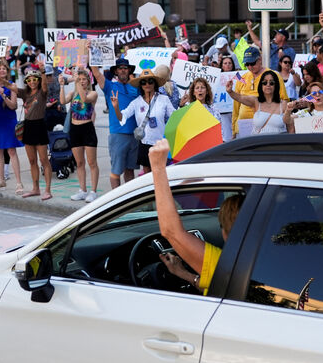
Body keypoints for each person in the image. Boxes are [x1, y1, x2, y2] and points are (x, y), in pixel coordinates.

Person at [148, 138, 243, 294]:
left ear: (226, 232)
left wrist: (158, 168)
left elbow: (171, 232)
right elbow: (217, 284)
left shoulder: (229, 264)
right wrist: (183, 274)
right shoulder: (256, 258)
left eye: (222, 225)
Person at [111, 68, 175, 175]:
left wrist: (183, 105)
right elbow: (122, 117)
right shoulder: (136, 102)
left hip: (160, 144)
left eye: (150, 81)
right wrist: (116, 107)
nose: (147, 84)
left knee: (161, 173)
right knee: (147, 175)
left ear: (155, 84)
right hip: (144, 144)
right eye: (143, 82)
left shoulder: (164, 99)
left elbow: (174, 116)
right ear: (140, 85)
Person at [90, 57, 139, 190]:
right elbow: (97, 74)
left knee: (130, 171)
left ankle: (129, 198)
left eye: (125, 68)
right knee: (116, 171)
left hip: (134, 134)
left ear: (129, 70)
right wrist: (91, 54)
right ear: (116, 71)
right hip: (118, 134)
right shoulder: (110, 86)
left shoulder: (136, 88)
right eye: (120, 68)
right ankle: (116, 200)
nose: (123, 70)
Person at [0, 60, 26, 194]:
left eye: (4, 68)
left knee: (11, 151)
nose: (2, 70)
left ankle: (19, 183)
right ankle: (1, 180)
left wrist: (3, 94)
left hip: (8, 121)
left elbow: (13, 106)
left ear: (7, 71)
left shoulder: (11, 85)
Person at [232, 46, 289, 138]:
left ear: (260, 60)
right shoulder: (242, 78)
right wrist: (234, 130)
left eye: (252, 63)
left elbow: (284, 100)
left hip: (266, 127)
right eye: (247, 64)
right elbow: (236, 107)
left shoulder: (274, 76)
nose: (250, 67)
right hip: (243, 127)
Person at [60, 68, 100, 203]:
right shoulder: (73, 93)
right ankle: (82, 190)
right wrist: (61, 85)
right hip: (74, 129)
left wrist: (76, 81)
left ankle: (93, 191)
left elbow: (85, 98)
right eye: (80, 79)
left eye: (84, 79)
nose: (81, 81)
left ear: (88, 81)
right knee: (79, 162)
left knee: (92, 162)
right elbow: (62, 101)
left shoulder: (93, 93)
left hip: (87, 128)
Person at [17, 69, 53, 200]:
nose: (32, 82)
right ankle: (35, 188)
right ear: (26, 81)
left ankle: (48, 190)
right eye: (29, 80)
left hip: (39, 126)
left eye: (34, 79)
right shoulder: (25, 93)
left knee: (44, 160)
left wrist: (43, 72)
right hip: (28, 127)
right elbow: (10, 86)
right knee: (32, 161)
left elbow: (44, 86)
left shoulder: (42, 93)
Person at [227, 68, 294, 135]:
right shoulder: (256, 101)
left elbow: (290, 127)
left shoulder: (283, 104)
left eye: (271, 83)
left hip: (278, 143)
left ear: (276, 85)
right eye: (264, 82)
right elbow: (240, 97)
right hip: (259, 143)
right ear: (261, 86)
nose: (268, 85)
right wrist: (230, 91)